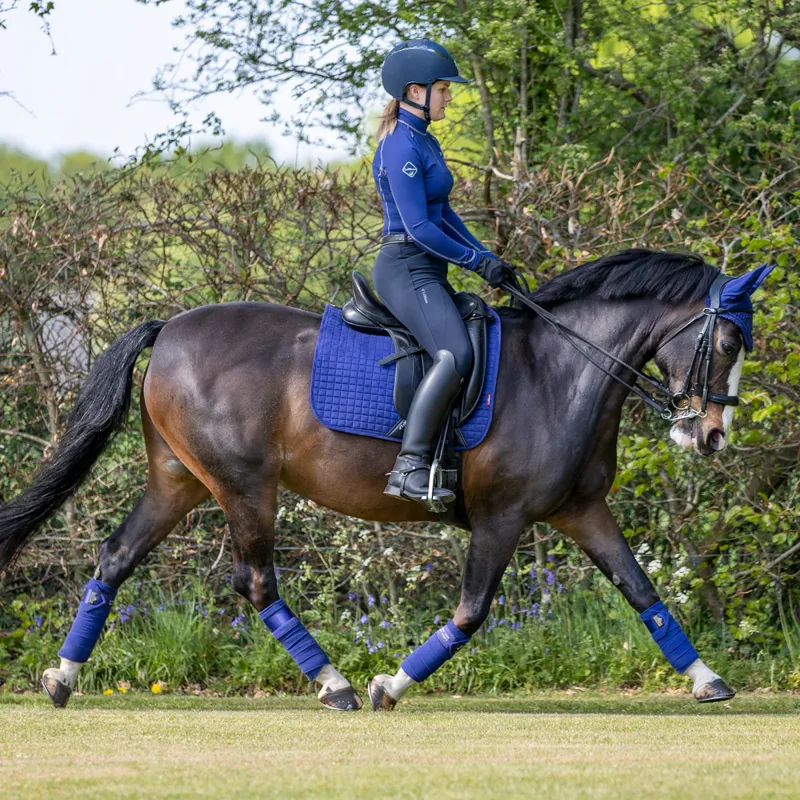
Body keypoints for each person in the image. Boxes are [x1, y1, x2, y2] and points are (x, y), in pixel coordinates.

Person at [372, 39, 516, 505]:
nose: (449, 96)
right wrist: (474, 261)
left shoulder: (423, 139)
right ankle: (410, 466)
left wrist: (489, 260)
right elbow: (417, 228)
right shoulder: (399, 148)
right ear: (415, 91)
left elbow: (444, 216)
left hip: (427, 269)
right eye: (443, 89)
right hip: (405, 267)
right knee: (454, 354)